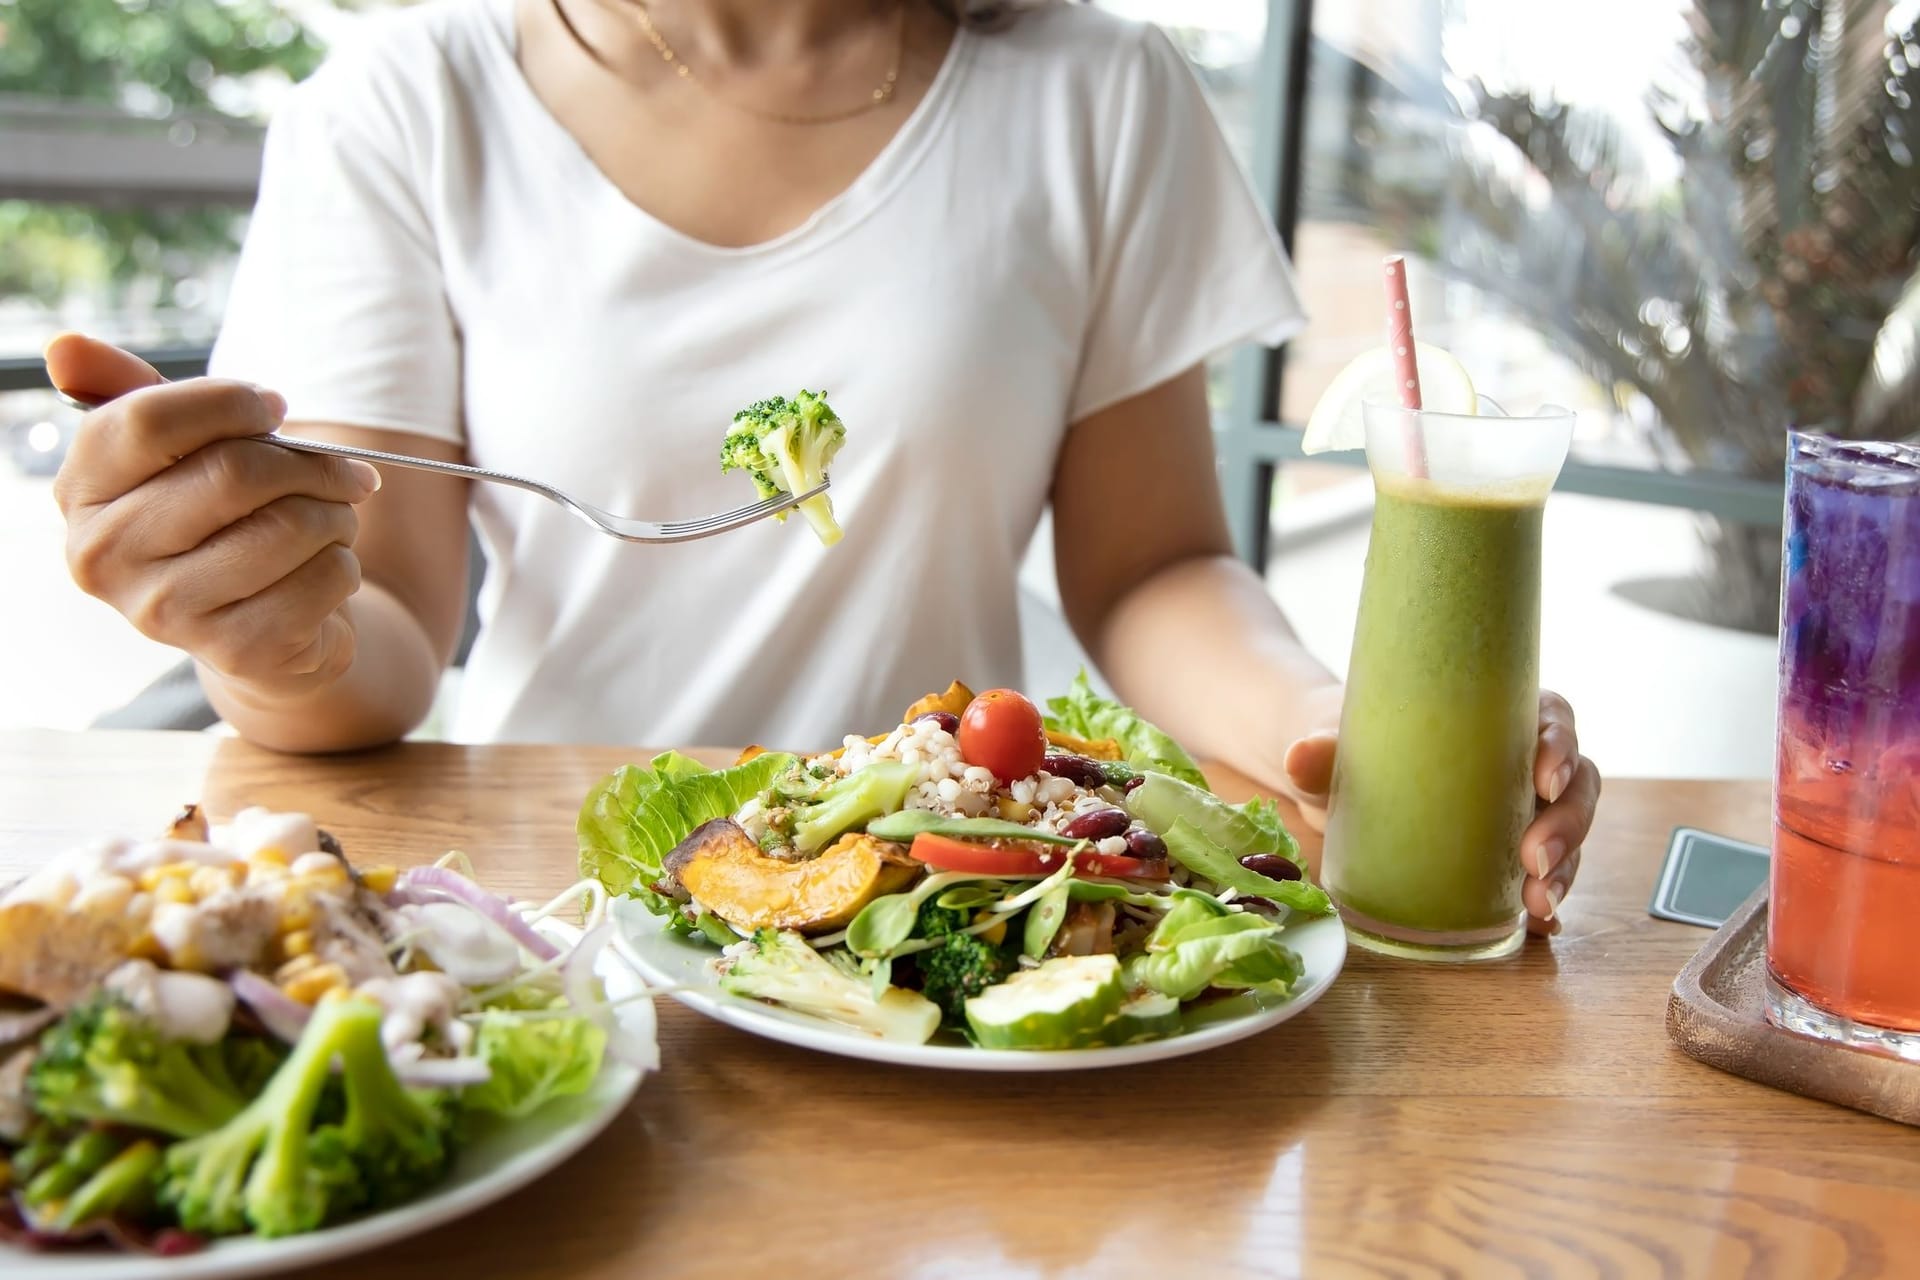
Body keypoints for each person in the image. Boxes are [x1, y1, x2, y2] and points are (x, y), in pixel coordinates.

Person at [45, 0, 1598, 934]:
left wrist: (1337, 724)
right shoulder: (407, 98)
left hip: (952, 901)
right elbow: (376, 627)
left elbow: (1150, 571)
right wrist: (267, 622)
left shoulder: (1097, 91)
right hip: (553, 907)